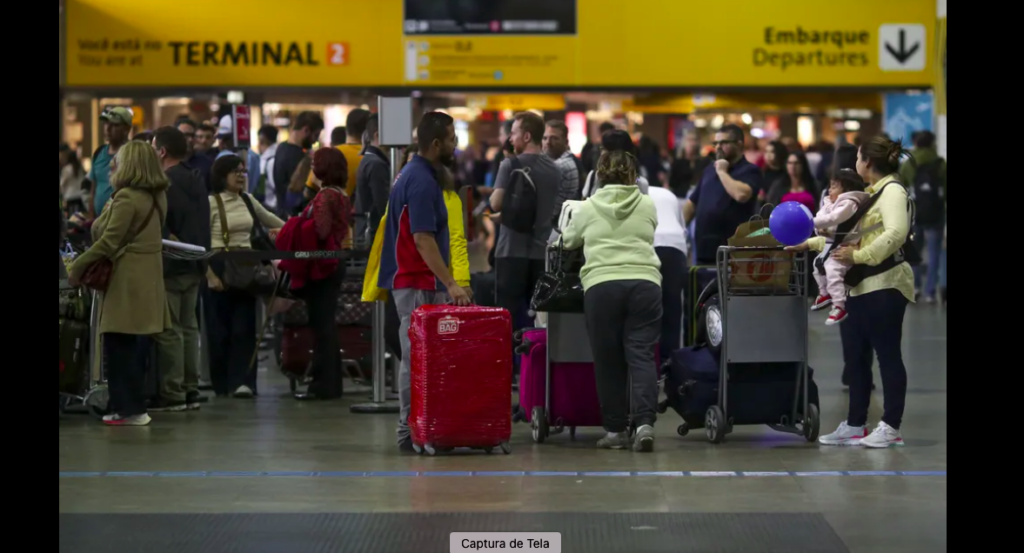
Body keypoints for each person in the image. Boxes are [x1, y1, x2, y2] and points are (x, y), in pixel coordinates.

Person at [788, 135, 915, 448]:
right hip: (857, 286)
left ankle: (891, 425)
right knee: (856, 358)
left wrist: (860, 257)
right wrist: (810, 244)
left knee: (887, 356)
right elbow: (846, 238)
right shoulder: (869, 194)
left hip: (885, 284)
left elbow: (896, 233)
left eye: (858, 157)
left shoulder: (892, 191)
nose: (855, 163)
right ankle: (856, 422)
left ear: (867, 162)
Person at [378, 112, 471, 453]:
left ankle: (418, 427)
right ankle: (409, 430)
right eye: (451, 138)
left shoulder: (416, 173)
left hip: (416, 280)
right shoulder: (420, 181)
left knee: (419, 357)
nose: (455, 145)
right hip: (417, 282)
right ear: (436, 144)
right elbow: (422, 239)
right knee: (416, 357)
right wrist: (452, 284)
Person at [561, 149, 663, 452]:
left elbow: (567, 241)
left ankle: (616, 430)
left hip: (602, 286)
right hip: (645, 283)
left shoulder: (587, 207)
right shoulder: (647, 204)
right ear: (633, 175)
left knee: (608, 361)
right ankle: (645, 423)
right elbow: (648, 232)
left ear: (599, 175)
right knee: (641, 355)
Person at [67, 141, 172, 427]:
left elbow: (109, 241)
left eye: (120, 160)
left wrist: (78, 265)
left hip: (127, 279)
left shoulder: (126, 197)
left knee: (117, 345)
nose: (114, 163)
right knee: (135, 346)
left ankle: (129, 409)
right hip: (148, 277)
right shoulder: (157, 196)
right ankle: (132, 406)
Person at [206, 155, 286, 399]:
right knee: (219, 332)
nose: (241, 175)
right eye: (235, 172)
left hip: (246, 269)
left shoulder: (248, 200)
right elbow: (200, 241)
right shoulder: (210, 203)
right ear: (221, 176)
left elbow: (275, 222)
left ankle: (244, 383)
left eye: (243, 171)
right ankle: (222, 384)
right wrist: (209, 275)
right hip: (219, 267)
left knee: (244, 329)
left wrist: (298, 231)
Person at [147, 127, 212, 412]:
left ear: (161, 151)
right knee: (189, 328)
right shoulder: (196, 179)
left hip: (170, 264)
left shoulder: (163, 184)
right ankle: (190, 388)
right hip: (195, 263)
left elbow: (161, 226)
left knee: (171, 330)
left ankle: (172, 392)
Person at [490, 112, 560, 333]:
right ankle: (534, 365)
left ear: (527, 136)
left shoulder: (510, 164)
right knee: (538, 318)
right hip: (541, 254)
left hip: (511, 251)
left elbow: (496, 203)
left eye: (514, 133)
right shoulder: (555, 169)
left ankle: (508, 367)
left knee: (506, 318)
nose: (510, 139)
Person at [294, 148, 353, 401]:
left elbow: (320, 229)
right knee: (327, 324)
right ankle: (330, 383)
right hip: (336, 261)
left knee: (321, 325)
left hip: (321, 265)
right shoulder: (342, 194)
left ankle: (323, 385)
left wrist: (298, 223)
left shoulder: (324, 196)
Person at [682, 124, 764, 265]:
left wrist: (722, 171)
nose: (718, 147)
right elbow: (692, 203)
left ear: (739, 144)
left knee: (729, 287)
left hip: (732, 250)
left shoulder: (750, 170)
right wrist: (681, 227)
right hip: (704, 247)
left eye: (724, 142)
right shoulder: (709, 169)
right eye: (716, 143)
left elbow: (741, 195)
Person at [809, 169, 869, 325]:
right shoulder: (831, 202)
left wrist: (811, 223)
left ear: (847, 189)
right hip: (832, 242)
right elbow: (821, 216)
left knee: (833, 271)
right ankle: (824, 293)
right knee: (817, 265)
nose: (830, 190)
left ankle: (839, 305)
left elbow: (834, 218)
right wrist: (819, 228)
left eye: (834, 186)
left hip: (845, 245)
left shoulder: (849, 203)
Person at [900, 131, 947, 304]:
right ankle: (930, 291)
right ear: (932, 143)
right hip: (935, 214)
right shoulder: (941, 164)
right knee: (935, 253)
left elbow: (900, 187)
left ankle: (915, 287)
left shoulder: (908, 163)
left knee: (914, 251)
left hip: (913, 213)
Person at [650, 181, 689, 363]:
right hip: (675, 246)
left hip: (651, 245)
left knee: (647, 305)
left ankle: (650, 359)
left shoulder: (633, 193)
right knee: (673, 306)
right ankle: (669, 362)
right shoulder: (668, 194)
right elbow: (682, 227)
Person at [308, 111, 369, 200]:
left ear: (347, 129)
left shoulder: (327, 155)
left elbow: (309, 191)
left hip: (329, 211)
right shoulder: (372, 157)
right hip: (362, 212)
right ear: (367, 133)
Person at [273, 112, 324, 218]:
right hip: (295, 217)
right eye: (316, 135)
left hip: (281, 213)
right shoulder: (300, 157)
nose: (315, 141)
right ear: (306, 130)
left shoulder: (281, 148)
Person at [87, 107, 132, 219]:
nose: (108, 128)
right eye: (106, 124)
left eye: (115, 125)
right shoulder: (99, 153)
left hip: (122, 220)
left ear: (126, 129)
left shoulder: (133, 154)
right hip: (98, 220)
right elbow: (93, 190)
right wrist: (91, 219)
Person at [581, 130, 651, 198]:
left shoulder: (638, 181)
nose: (602, 153)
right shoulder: (593, 177)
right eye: (602, 149)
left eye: (605, 149)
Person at [355, 113, 390, 244]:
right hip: (373, 237)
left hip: (367, 234)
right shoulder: (376, 164)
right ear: (377, 136)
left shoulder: (369, 160)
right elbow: (383, 206)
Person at [543, 120, 581, 231]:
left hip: (555, 228)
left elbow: (550, 209)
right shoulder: (567, 160)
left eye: (554, 138)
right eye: (545, 138)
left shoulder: (560, 165)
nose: (548, 143)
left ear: (566, 142)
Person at [175, 118, 213, 190]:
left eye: (192, 135)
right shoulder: (168, 162)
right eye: (185, 135)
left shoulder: (206, 163)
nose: (190, 139)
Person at [257, 126, 279, 211]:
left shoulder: (270, 161)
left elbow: (275, 187)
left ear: (262, 139)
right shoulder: (274, 156)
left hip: (270, 207)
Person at [60, 143, 86, 214]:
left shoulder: (66, 169)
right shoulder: (79, 168)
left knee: (72, 219)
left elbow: (62, 184)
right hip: (80, 197)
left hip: (70, 198)